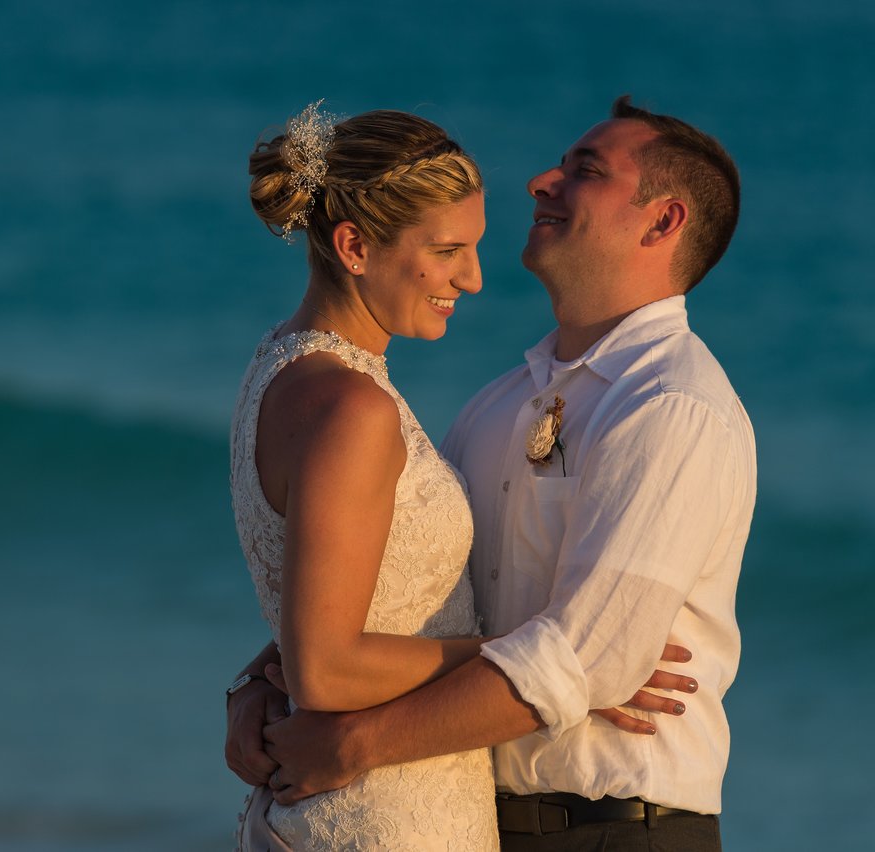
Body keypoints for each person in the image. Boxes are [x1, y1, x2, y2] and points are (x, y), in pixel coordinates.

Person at [226, 96, 754, 852]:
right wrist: (260, 685)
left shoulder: (673, 408)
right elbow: (389, 600)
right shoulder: (499, 406)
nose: (542, 181)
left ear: (661, 222)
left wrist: (353, 744)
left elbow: (588, 660)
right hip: (463, 814)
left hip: (612, 831)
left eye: (585, 171)